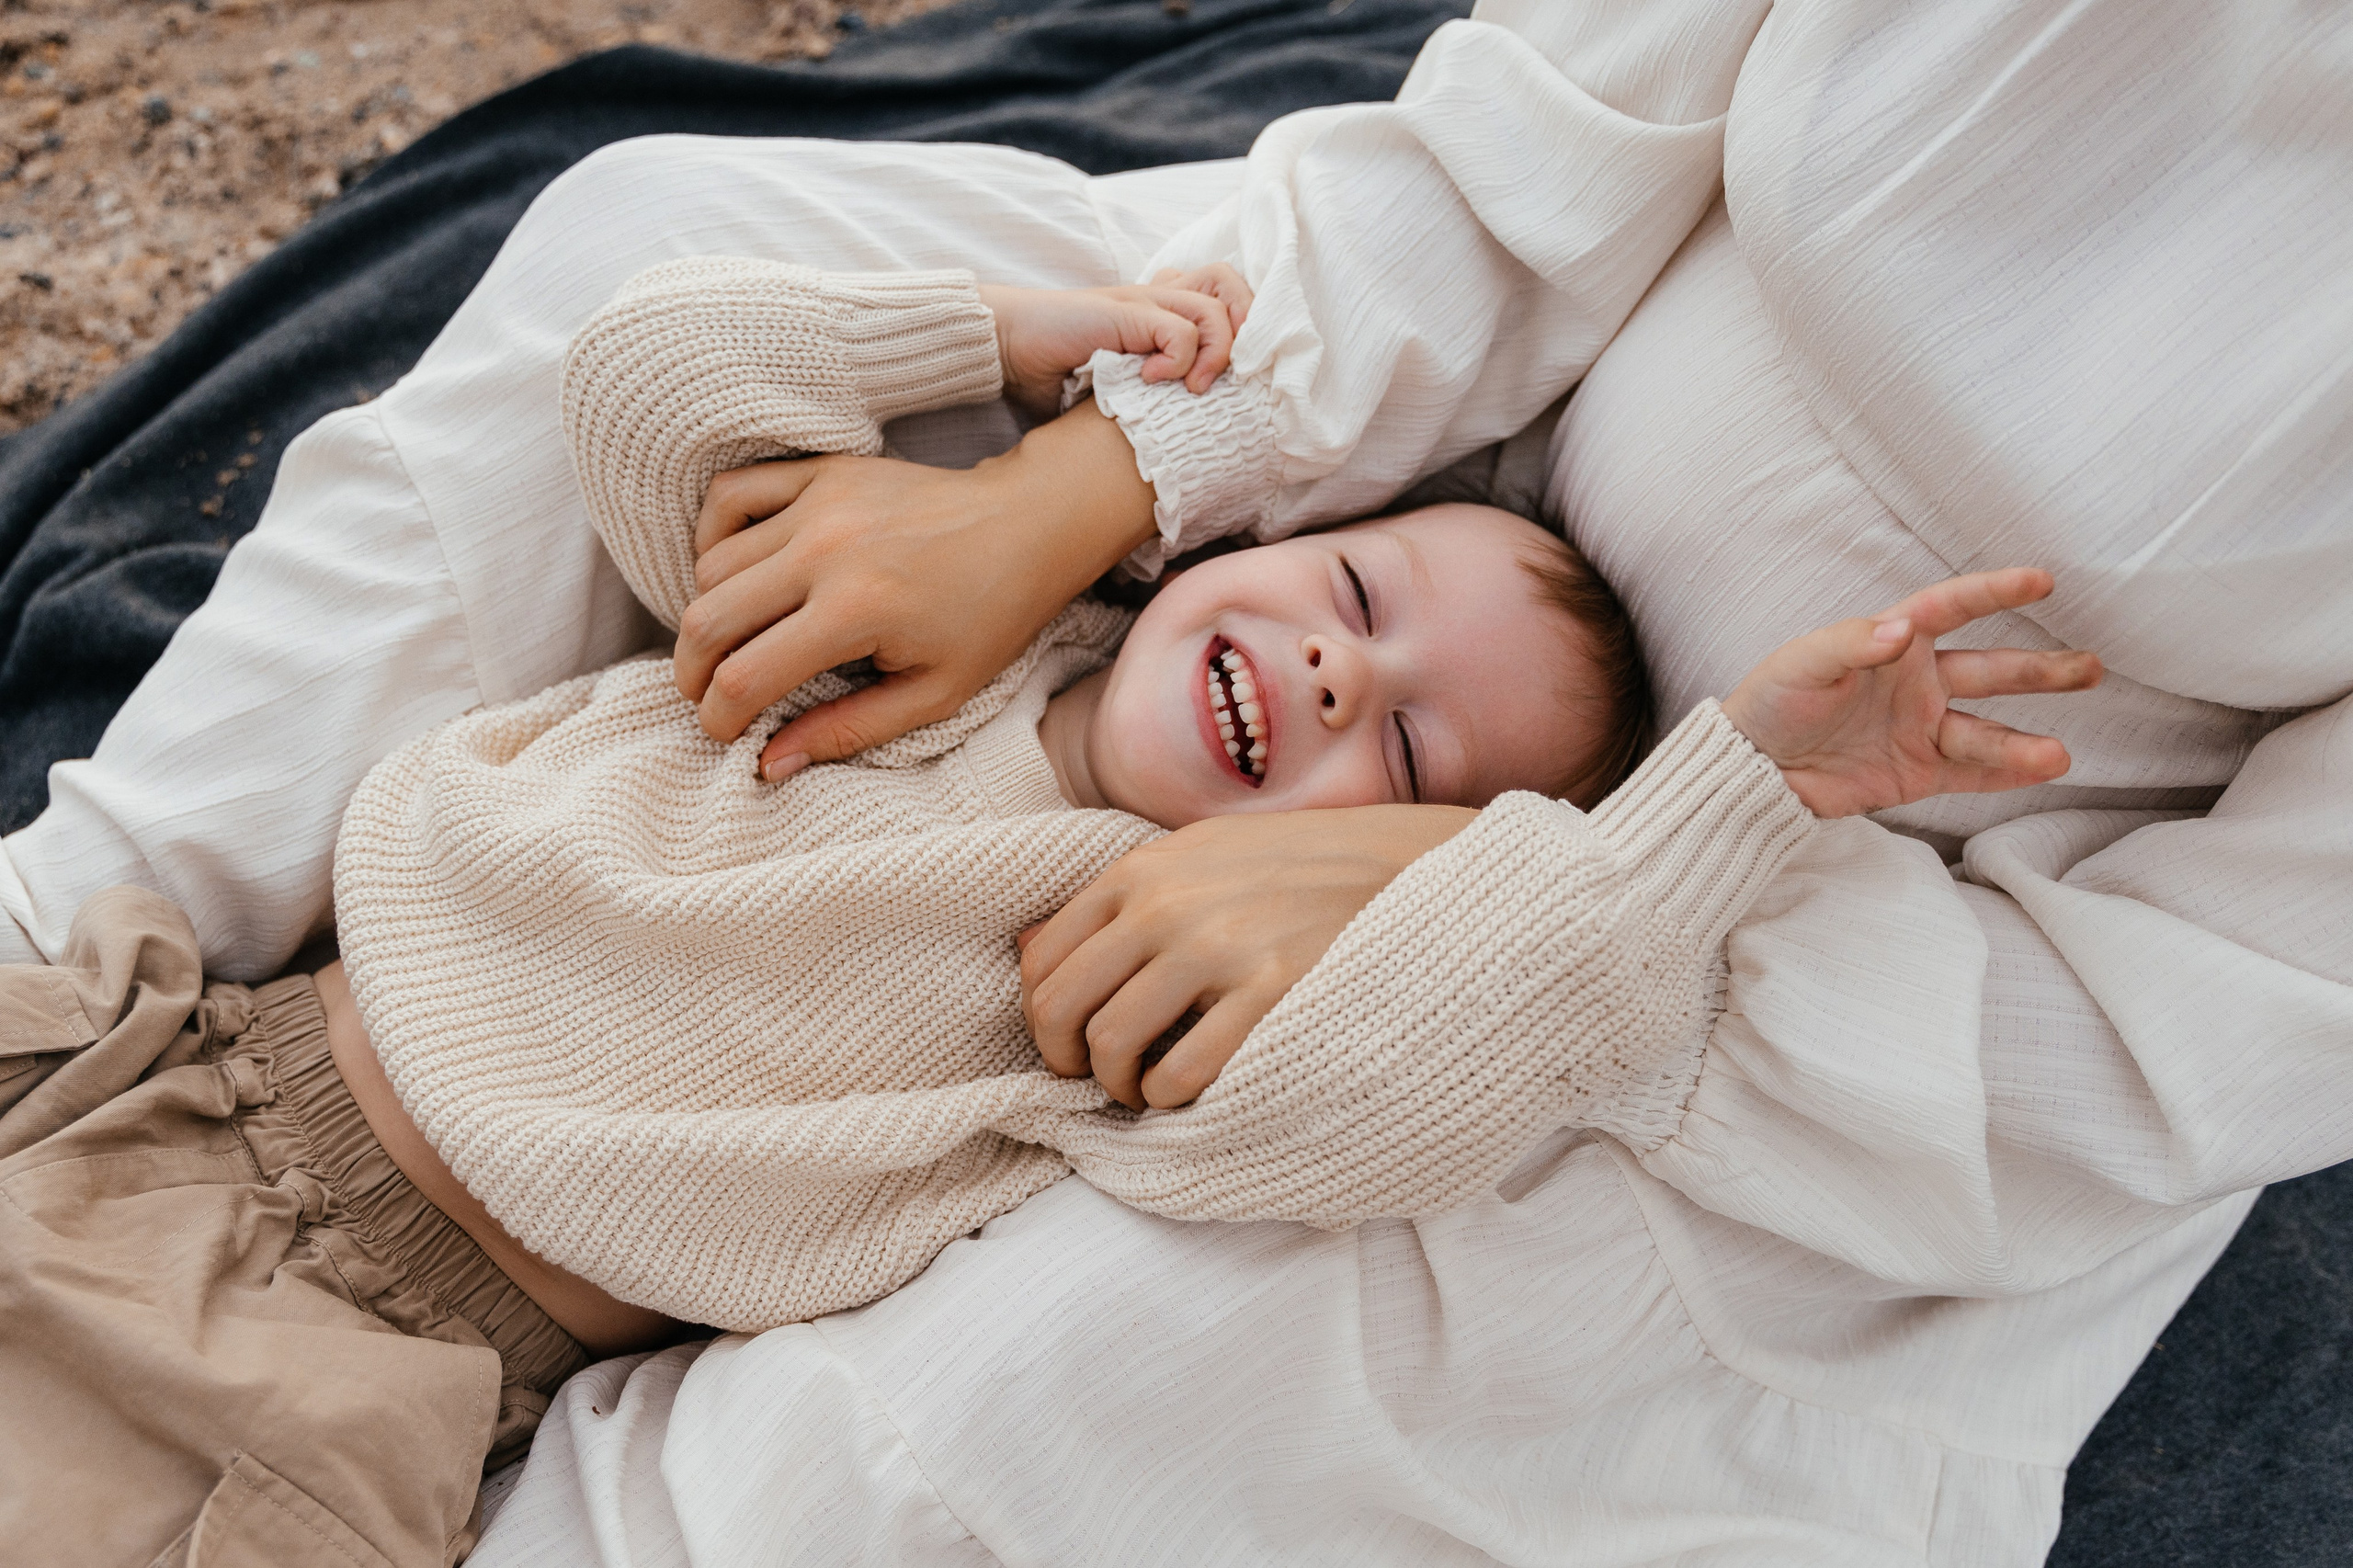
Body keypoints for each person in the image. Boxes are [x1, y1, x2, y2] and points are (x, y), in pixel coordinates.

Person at [1, 2, 2346, 1563]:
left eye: (1380, 717)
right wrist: (1073, 457)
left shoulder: (1097, 990)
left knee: (1030, 1412)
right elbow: (665, 382)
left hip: (1830, 925)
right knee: (651, 218)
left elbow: (2182, 1026)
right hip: (157, 1080)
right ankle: (88, 890)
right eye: (1330, 621)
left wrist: (1553, 858)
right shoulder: (1055, 649)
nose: (1329, 678)